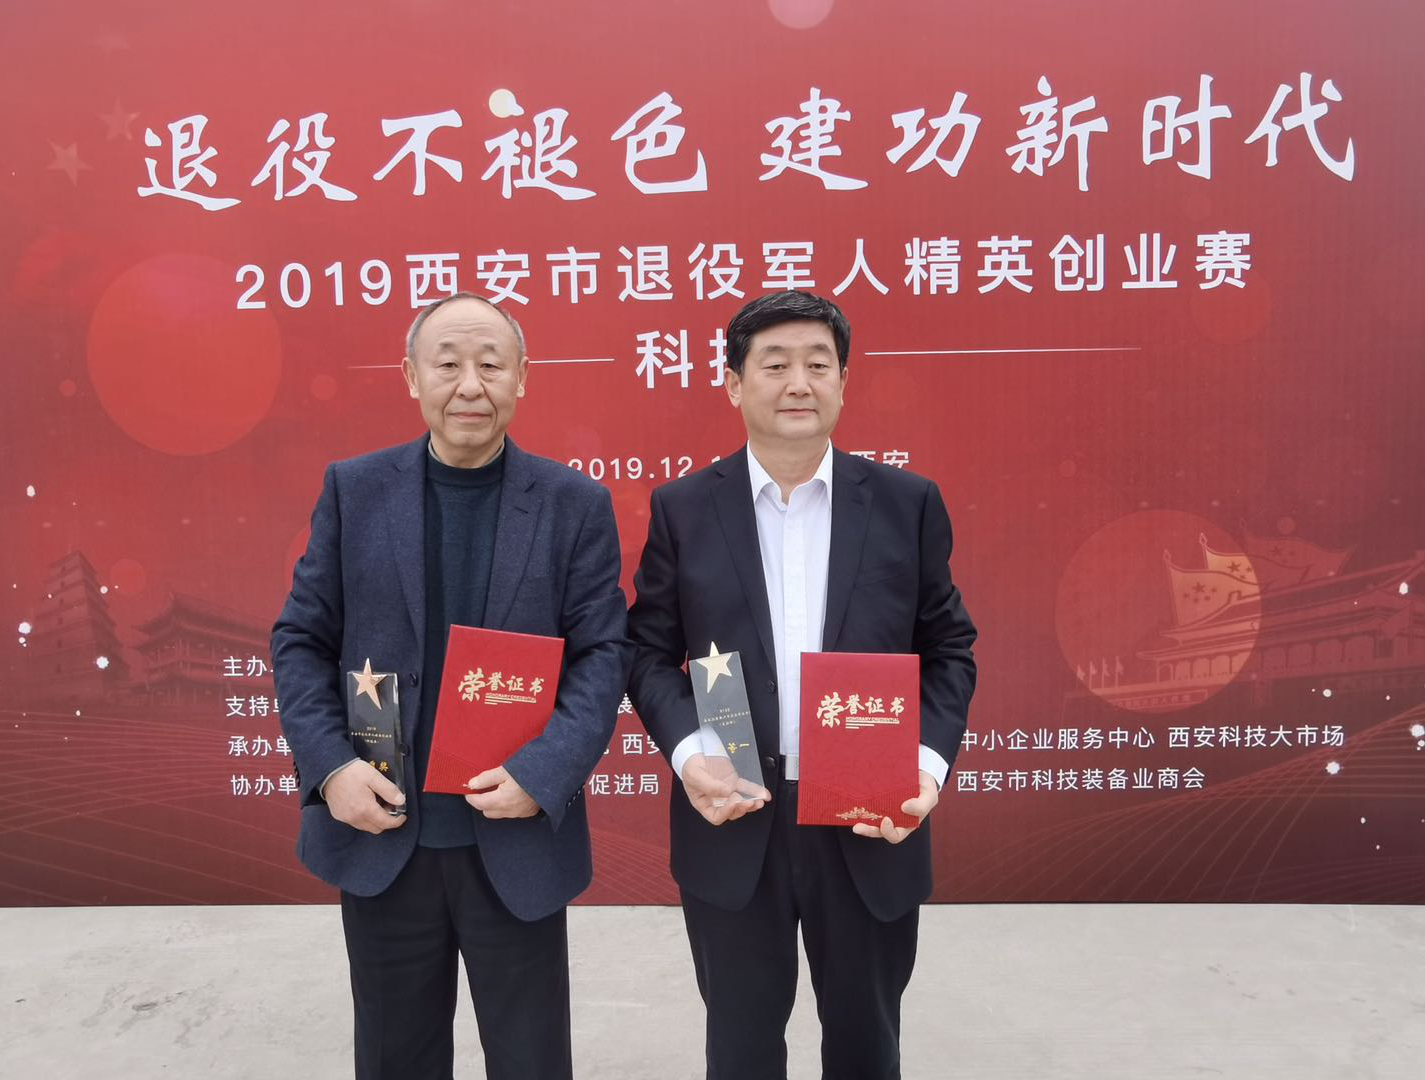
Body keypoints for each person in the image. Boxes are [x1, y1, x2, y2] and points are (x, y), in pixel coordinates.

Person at [271, 292, 629, 1080]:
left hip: (516, 836)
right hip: (383, 832)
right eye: (448, 364)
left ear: (521, 378)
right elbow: (300, 640)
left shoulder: (573, 505)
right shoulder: (355, 491)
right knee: (396, 1059)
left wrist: (543, 773)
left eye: (491, 365)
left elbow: (604, 656)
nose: (471, 385)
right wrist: (330, 770)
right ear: (412, 376)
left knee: (532, 1061)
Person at [627, 290, 977, 1080]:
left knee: (866, 1044)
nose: (798, 383)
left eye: (819, 365)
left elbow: (950, 649)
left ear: (843, 383)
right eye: (775, 364)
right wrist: (689, 754)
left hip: (868, 818)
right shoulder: (685, 508)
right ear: (733, 383)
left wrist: (922, 767)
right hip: (732, 811)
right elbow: (645, 651)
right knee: (740, 1049)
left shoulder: (905, 504)